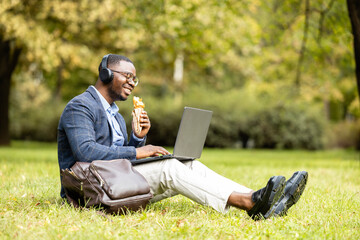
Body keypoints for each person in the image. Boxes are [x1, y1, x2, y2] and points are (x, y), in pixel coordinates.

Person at [57, 54, 308, 220]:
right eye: (127, 76)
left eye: (135, 78)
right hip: (88, 192)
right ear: (105, 74)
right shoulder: (80, 106)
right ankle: (251, 204)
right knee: (168, 168)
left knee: (188, 164)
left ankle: (265, 198)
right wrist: (138, 151)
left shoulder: (114, 114)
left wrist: (136, 138)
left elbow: (120, 158)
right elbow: (86, 153)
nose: (133, 82)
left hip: (115, 183)